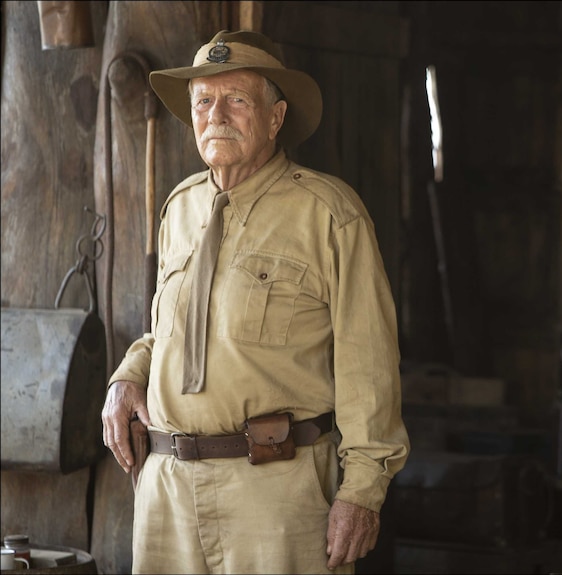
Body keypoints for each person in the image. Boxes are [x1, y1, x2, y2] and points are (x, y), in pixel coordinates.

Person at [101, 29, 410, 574]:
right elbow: (170, 333)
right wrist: (129, 375)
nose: (215, 113)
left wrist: (362, 491)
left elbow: (371, 363)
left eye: (236, 100)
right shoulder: (181, 206)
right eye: (203, 101)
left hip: (275, 493)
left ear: (275, 117)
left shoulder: (329, 213)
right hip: (167, 491)